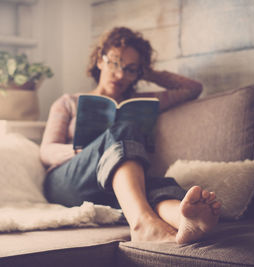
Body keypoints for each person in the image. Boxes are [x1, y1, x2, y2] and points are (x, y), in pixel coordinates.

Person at [40, 27, 221, 244]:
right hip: (68, 181)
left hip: (111, 188)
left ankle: (184, 219)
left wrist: (149, 72)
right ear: (99, 60)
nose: (120, 74)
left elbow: (192, 88)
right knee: (124, 129)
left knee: (153, 185)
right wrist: (87, 151)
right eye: (114, 63)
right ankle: (141, 223)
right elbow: (46, 151)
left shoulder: (141, 101)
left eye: (130, 69)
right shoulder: (68, 102)